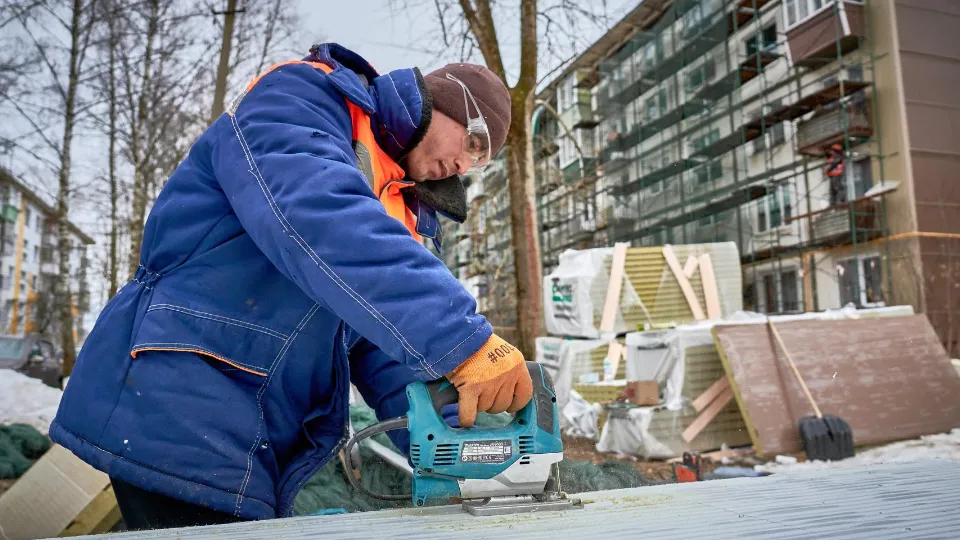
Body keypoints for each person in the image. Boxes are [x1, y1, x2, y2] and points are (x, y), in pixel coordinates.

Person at [49, 42, 533, 530]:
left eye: (481, 161)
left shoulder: (400, 212)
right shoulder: (303, 97)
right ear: (444, 100)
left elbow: (382, 350)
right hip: (181, 393)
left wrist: (457, 450)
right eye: (473, 142)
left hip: (256, 423)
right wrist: (462, 338)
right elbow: (320, 217)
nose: (465, 166)